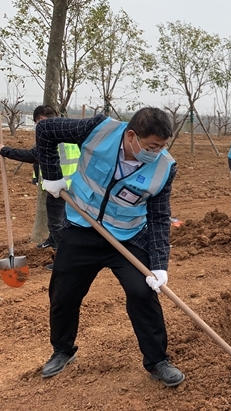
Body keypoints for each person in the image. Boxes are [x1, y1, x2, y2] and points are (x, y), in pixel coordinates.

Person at [36, 107, 185, 387]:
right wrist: (52, 174)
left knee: (143, 293)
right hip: (82, 228)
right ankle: (62, 350)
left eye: (163, 146)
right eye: (152, 146)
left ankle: (157, 361)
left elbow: (159, 216)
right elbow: (45, 131)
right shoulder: (98, 130)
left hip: (127, 237)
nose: (157, 152)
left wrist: (159, 264)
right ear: (132, 136)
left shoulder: (165, 167)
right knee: (63, 295)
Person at [0, 105, 79, 270]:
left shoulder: (50, 134)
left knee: (56, 224)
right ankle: (54, 242)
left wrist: (5, 151)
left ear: (42, 120)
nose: (38, 127)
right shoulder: (70, 130)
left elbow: (33, 156)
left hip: (59, 188)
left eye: (37, 123)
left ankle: (63, 260)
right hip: (75, 185)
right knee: (65, 220)